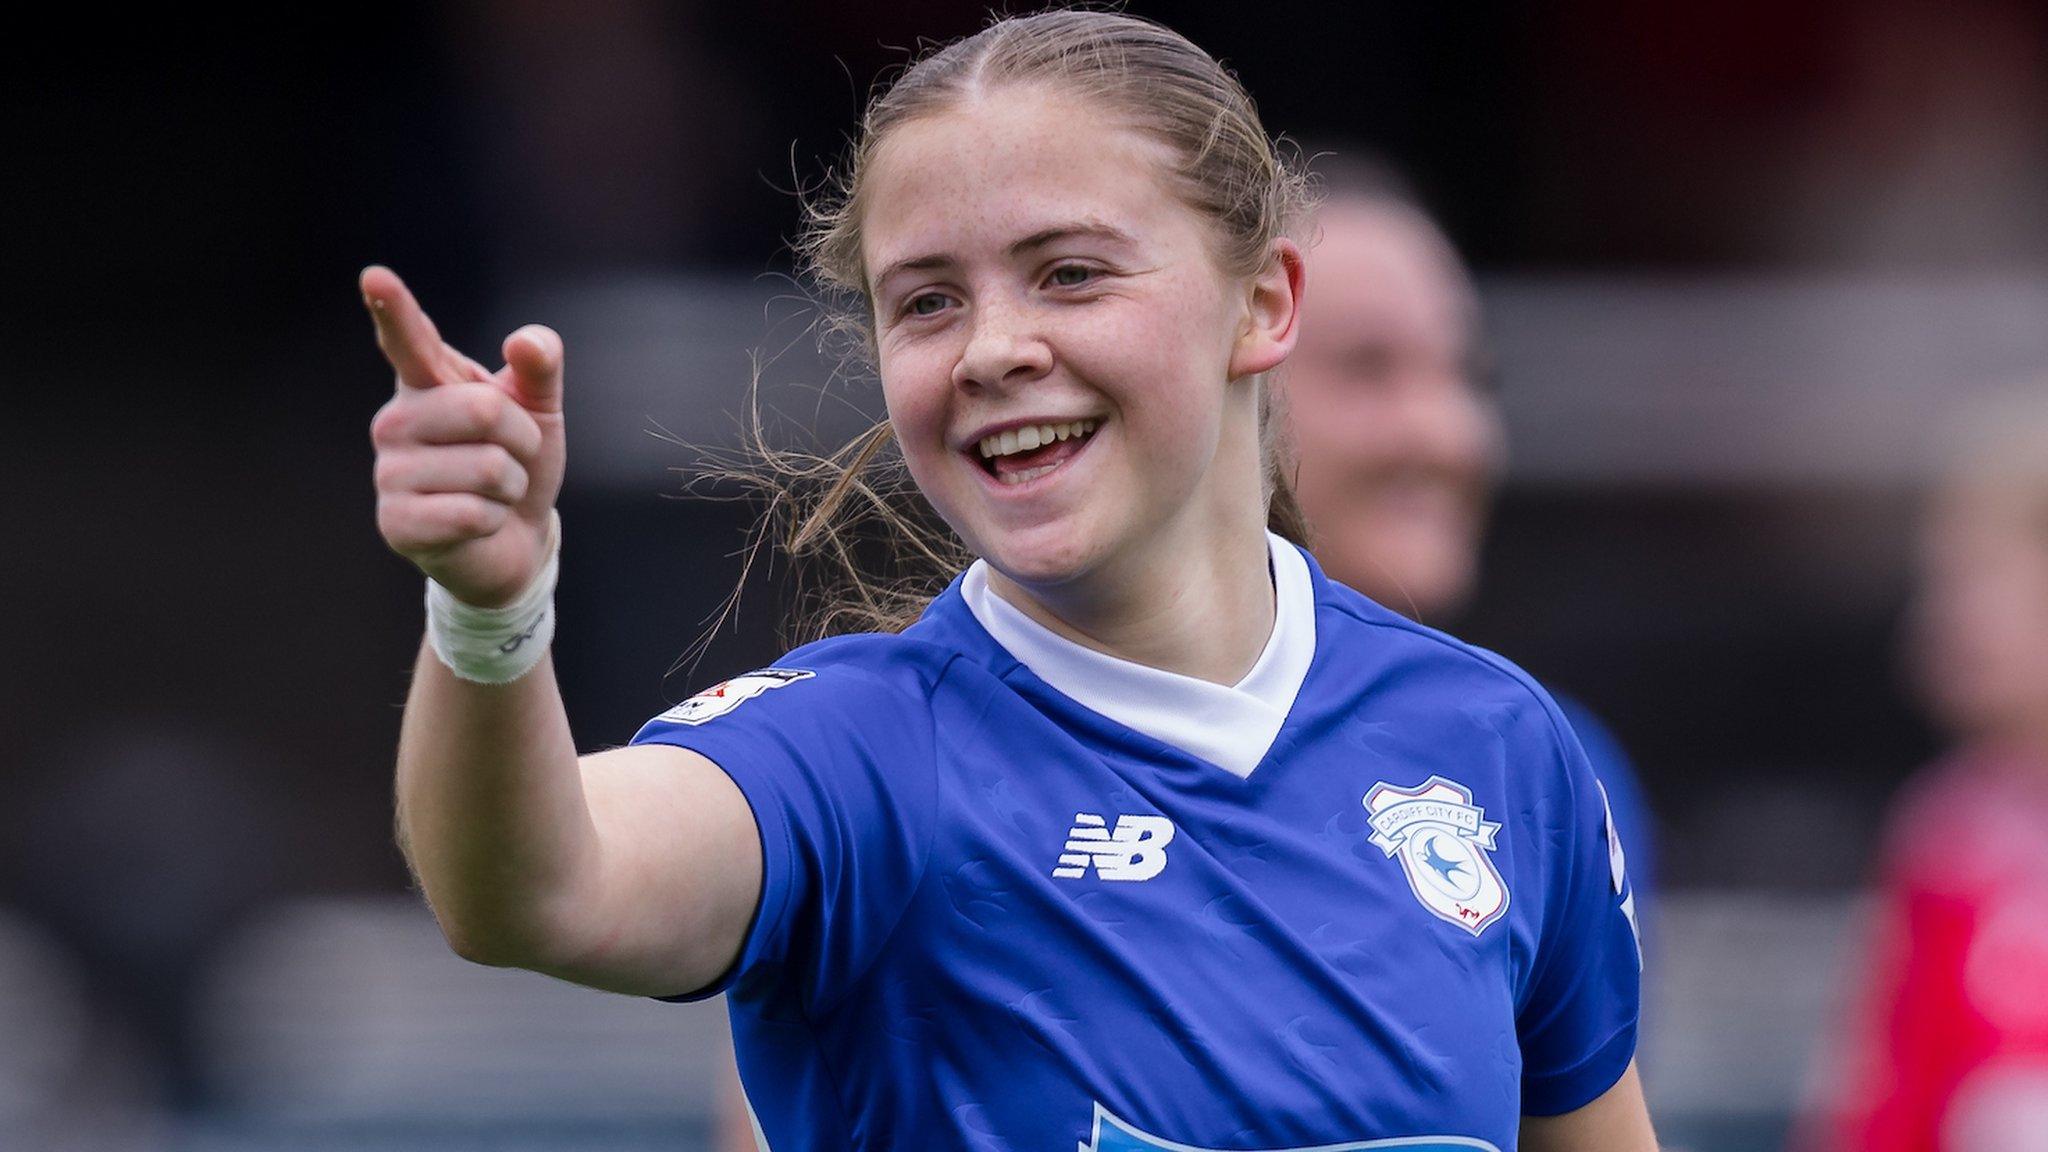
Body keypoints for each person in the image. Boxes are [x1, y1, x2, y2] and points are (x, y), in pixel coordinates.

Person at [361, 11, 1654, 1150]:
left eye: (1070, 273)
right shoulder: (860, 753)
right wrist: (488, 614)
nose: (993, 349)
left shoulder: (1499, 749)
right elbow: (533, 891)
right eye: (925, 303)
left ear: (1262, 305)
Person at [1275, 152, 1656, 954]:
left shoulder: (1551, 764)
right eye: (1365, 367)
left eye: (1469, 375)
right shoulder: (1055, 752)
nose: (1446, 433)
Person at [1805, 395, 2048, 1152]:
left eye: (1976, 581)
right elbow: (1886, 1106)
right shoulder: (1947, 832)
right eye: (1935, 584)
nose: (1938, 619)